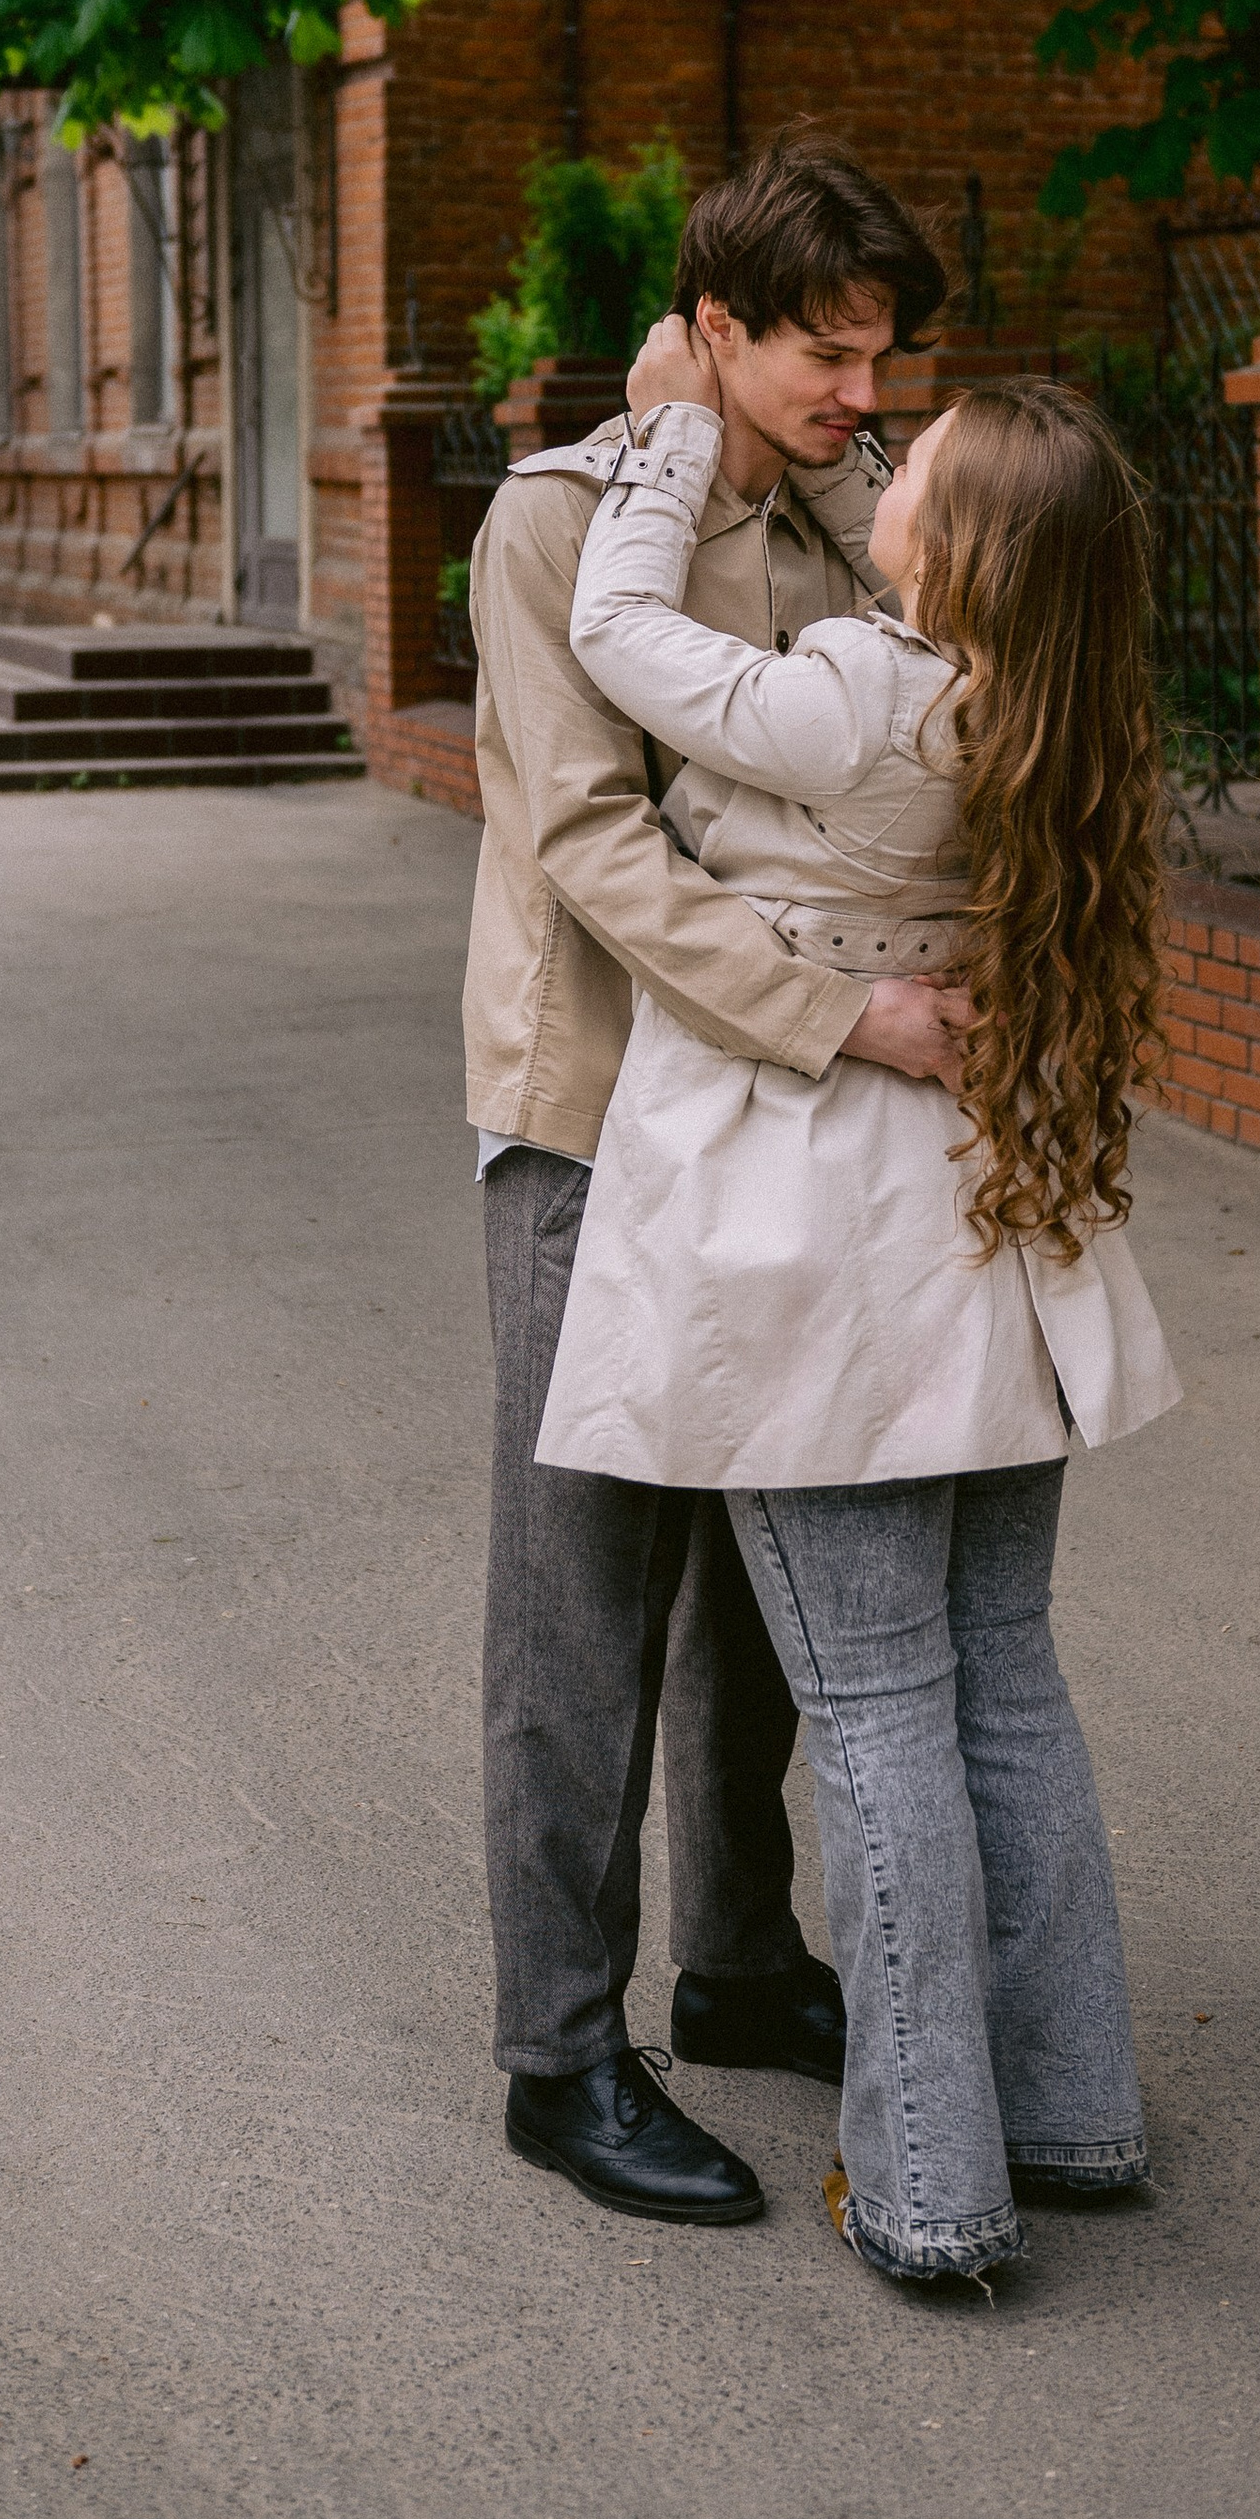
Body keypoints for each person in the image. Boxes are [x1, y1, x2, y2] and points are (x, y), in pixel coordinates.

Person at [536, 329, 1181, 2284]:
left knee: (881, 1711)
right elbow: (885, 524)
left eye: (924, 450)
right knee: (1003, 1683)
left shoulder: (852, 694)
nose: (878, 443)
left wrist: (662, 443)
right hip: (996, 1244)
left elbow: (621, 636)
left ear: (955, 548)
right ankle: (1065, 2109)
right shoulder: (1045, 711)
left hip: (826, 1249)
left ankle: (923, 2185)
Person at [466, 146, 967, 2230]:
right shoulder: (559, 523)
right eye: (819, 353)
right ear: (711, 326)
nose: (867, 392)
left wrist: (809, 462)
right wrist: (844, 1019)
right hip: (598, 1113)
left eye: (882, 355)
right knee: (583, 1600)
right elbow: (592, 842)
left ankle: (742, 1964)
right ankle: (559, 2056)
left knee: (765, 1579)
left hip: (765, 1131)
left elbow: (933, 641)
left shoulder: (812, 513)